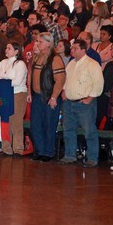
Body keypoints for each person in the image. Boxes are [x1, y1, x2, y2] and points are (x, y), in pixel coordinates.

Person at [59, 39, 104, 167]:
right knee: (68, 130)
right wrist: (64, 90)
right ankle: (69, 155)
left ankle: (92, 158)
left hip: (84, 103)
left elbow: (98, 83)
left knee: (89, 131)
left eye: (75, 48)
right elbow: (66, 79)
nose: (72, 50)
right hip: (69, 102)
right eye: (72, 48)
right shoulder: (71, 63)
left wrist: (90, 98)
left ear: (83, 50)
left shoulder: (92, 64)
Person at [28, 33, 66, 162]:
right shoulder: (37, 57)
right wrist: (29, 92)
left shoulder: (55, 59)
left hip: (49, 96)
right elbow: (30, 76)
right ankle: (40, 150)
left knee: (49, 125)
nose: (37, 43)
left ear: (48, 43)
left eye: (40, 41)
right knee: (35, 125)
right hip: (37, 96)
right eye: (37, 41)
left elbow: (60, 80)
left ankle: (48, 153)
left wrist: (54, 97)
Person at [0, 43, 27, 156]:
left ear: (16, 51)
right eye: (6, 48)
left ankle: (18, 148)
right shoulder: (3, 63)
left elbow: (17, 81)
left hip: (17, 94)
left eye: (9, 48)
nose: (6, 50)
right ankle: (6, 147)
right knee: (4, 121)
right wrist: (6, 79)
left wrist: (3, 79)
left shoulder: (20, 64)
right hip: (4, 93)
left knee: (16, 121)